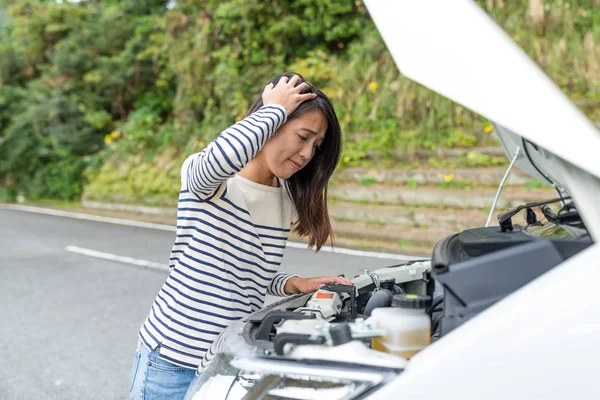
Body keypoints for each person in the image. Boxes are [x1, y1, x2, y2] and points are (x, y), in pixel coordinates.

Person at [129, 72, 352, 399]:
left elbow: (246, 273)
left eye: (315, 146)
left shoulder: (285, 200)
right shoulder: (212, 182)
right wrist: (272, 108)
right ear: (268, 123)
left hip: (225, 362)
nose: (306, 154)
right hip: (172, 357)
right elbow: (219, 159)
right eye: (302, 136)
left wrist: (293, 284)